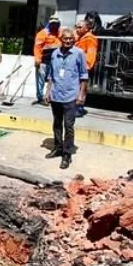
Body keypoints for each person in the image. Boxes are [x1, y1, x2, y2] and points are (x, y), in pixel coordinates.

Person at [45, 27, 88, 169]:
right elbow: (51, 75)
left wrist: (81, 94)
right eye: (65, 38)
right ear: (61, 39)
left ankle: (67, 154)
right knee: (56, 124)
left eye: (71, 39)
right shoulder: (54, 54)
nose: (68, 41)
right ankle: (58, 148)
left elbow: (84, 76)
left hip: (70, 96)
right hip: (56, 94)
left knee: (68, 126)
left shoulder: (79, 54)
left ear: (74, 40)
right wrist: (48, 92)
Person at [33, 15, 61, 105]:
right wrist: (37, 59)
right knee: (40, 80)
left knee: (52, 80)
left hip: (55, 62)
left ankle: (49, 97)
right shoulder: (42, 34)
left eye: (56, 24)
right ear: (49, 23)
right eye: (52, 23)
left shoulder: (60, 34)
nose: (54, 25)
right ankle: (40, 97)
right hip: (43, 61)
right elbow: (37, 48)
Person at [74, 19, 98, 117]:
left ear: (87, 28)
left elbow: (91, 55)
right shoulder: (80, 38)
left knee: (82, 89)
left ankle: (79, 108)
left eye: (80, 27)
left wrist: (86, 69)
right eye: (77, 27)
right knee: (77, 89)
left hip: (83, 69)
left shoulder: (90, 39)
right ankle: (76, 107)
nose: (77, 29)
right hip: (77, 69)